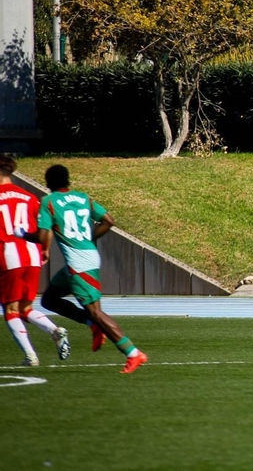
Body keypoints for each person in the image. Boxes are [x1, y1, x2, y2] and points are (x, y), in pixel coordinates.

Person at [35, 164, 146, 374]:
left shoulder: (49, 202)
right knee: (49, 299)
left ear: (48, 183)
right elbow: (108, 221)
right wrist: (90, 238)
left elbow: (42, 236)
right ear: (67, 180)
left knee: (96, 313)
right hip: (86, 258)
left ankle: (133, 353)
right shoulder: (84, 198)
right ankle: (92, 324)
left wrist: (21, 234)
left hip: (79, 264)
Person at [0, 157, 70, 366]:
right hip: (32, 255)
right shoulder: (29, 197)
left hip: (9, 255)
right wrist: (46, 250)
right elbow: (44, 228)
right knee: (25, 308)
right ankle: (55, 331)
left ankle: (30, 356)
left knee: (10, 310)